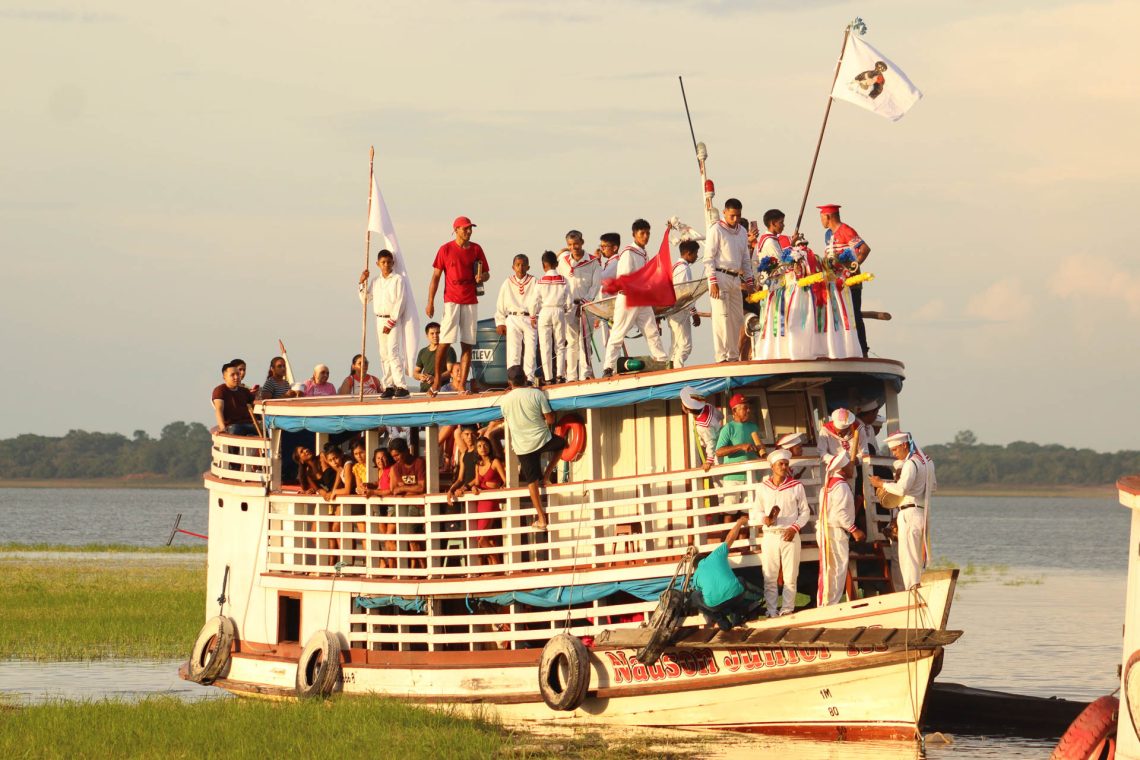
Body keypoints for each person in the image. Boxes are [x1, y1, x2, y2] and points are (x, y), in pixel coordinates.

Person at [493, 364, 567, 531]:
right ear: (525, 378)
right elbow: (550, 420)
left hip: (523, 446)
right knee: (561, 444)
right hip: (542, 439)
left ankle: (541, 518)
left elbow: (507, 418)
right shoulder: (536, 394)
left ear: (509, 382)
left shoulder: (505, 401)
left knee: (531, 482)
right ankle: (546, 475)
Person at [426, 216, 490, 396]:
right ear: (456, 230)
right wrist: (430, 301)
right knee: (445, 341)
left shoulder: (476, 249)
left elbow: (486, 274)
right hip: (451, 300)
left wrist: (481, 277)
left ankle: (462, 384)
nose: (469, 231)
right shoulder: (445, 249)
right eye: (465, 228)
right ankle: (437, 380)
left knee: (467, 343)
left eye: (470, 228)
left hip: (470, 300)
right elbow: (436, 277)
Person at [601, 219, 668, 377]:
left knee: (652, 331)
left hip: (641, 298)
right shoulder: (628, 252)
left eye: (647, 233)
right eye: (642, 233)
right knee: (618, 332)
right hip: (628, 298)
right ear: (634, 234)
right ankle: (608, 367)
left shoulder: (643, 253)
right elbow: (624, 278)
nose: (645, 236)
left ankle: (662, 360)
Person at [871, 432, 936, 590]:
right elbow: (933, 487)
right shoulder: (927, 462)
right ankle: (916, 589)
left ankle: (912, 591)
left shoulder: (910, 463)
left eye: (895, 449)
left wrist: (881, 484)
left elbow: (901, 489)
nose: (894, 453)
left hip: (909, 514)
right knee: (917, 558)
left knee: (908, 559)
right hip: (921, 512)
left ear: (904, 445)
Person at [752, 449, 811, 617]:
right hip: (770, 535)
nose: (784, 467)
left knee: (790, 576)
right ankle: (771, 611)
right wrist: (764, 519)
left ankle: (787, 609)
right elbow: (756, 511)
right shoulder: (763, 487)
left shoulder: (796, 486)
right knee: (769, 576)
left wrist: (795, 527)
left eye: (786, 464)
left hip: (790, 534)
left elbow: (805, 512)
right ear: (772, 466)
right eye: (781, 464)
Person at [753, 210, 814, 361]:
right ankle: (776, 351)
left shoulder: (769, 240)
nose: (783, 225)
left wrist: (790, 247)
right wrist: (794, 259)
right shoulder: (770, 242)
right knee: (777, 321)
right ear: (772, 223)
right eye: (781, 222)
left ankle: (777, 350)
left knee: (775, 321)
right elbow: (780, 266)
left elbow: (779, 259)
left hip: (774, 286)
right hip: (775, 287)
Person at [703, 199, 753, 362]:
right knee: (721, 317)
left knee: (736, 318)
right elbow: (708, 258)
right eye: (732, 215)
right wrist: (713, 281)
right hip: (720, 276)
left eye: (738, 215)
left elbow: (745, 259)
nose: (735, 219)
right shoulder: (716, 229)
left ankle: (732, 355)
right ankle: (721, 356)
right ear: (724, 212)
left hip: (735, 278)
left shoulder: (742, 231)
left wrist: (750, 281)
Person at [819, 204, 872, 356]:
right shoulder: (828, 234)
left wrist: (852, 268)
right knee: (837, 315)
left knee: (854, 314)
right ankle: (842, 349)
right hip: (835, 282)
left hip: (850, 282)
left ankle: (863, 350)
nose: (821, 221)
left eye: (822, 217)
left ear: (828, 217)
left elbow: (864, 249)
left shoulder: (846, 230)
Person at [358, 248, 411, 397]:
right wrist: (362, 283)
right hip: (379, 318)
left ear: (393, 263)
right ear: (378, 264)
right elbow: (365, 299)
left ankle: (401, 385)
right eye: (383, 262)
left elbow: (400, 301)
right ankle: (389, 385)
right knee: (384, 354)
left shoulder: (398, 279)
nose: (386, 265)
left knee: (393, 352)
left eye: (388, 262)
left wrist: (391, 322)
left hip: (392, 319)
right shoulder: (375, 281)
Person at [817, 451, 866, 606]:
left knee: (830, 570)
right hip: (835, 531)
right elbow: (840, 514)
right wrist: (854, 530)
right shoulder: (841, 486)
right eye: (850, 466)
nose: (853, 469)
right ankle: (829, 605)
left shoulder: (828, 485)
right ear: (843, 469)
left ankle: (827, 604)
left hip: (827, 530)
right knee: (836, 571)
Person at [690, 515, 754, 631]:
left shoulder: (696, 575)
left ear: (695, 567)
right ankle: (737, 616)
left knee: (694, 596)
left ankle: (720, 620)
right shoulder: (716, 554)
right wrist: (739, 522)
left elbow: (701, 593)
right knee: (740, 580)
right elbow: (730, 538)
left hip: (715, 605)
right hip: (736, 596)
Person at [557, 230, 601, 381]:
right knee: (571, 342)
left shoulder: (593, 262)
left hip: (586, 307)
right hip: (569, 308)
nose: (573, 247)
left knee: (585, 341)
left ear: (582, 242)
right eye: (570, 245)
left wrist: (584, 304)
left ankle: (585, 374)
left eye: (576, 244)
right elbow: (560, 284)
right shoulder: (563, 262)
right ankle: (571, 376)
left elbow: (595, 286)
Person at [494, 254, 538, 383]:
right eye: (518, 265)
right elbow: (500, 304)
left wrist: (536, 315)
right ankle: (513, 379)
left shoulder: (534, 281)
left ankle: (529, 378)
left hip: (529, 317)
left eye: (523, 265)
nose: (520, 268)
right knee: (513, 350)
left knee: (531, 349)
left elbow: (539, 300)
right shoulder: (507, 282)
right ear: (513, 267)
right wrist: (500, 322)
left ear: (528, 267)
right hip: (512, 317)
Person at [714, 393, 764, 509]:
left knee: (749, 511)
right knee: (730, 512)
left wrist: (760, 450)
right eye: (745, 408)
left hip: (751, 475)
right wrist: (740, 446)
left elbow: (759, 449)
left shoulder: (753, 427)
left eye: (748, 407)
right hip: (733, 476)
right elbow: (719, 452)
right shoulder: (728, 428)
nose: (748, 410)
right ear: (734, 411)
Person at [466, 436, 507, 566]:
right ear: (476, 450)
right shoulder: (478, 465)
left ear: (489, 447)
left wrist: (501, 487)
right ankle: (493, 566)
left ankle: (497, 564)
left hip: (491, 501)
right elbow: (477, 483)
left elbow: (505, 480)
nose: (482, 448)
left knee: (482, 538)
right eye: (479, 446)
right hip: (481, 501)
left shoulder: (495, 462)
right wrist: (473, 487)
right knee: (482, 537)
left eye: (485, 445)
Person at [389, 437, 426, 569]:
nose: (395, 458)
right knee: (412, 539)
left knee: (426, 539)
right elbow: (396, 490)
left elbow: (421, 487)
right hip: (412, 507)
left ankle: (426, 568)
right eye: (393, 456)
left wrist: (404, 489)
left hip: (425, 505)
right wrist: (407, 490)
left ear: (406, 451)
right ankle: (422, 568)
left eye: (397, 455)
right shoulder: (396, 467)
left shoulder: (419, 462)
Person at [535, 250, 571, 384]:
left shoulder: (540, 281)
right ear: (556, 264)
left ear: (543, 265)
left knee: (545, 346)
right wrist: (566, 309)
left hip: (545, 311)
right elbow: (569, 300)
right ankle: (560, 375)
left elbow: (534, 301)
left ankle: (548, 377)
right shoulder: (563, 280)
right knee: (560, 345)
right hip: (559, 310)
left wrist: (533, 315)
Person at [667, 240, 701, 368]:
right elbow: (684, 294)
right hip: (680, 311)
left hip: (673, 311)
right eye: (696, 253)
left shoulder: (675, 267)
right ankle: (677, 370)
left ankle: (670, 370)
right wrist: (694, 313)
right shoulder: (683, 268)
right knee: (685, 345)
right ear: (688, 253)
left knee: (675, 345)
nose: (697, 256)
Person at [591, 232, 622, 359]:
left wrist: (596, 262)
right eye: (601, 246)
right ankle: (614, 364)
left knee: (611, 341)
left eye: (605, 246)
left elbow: (601, 279)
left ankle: (614, 365)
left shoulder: (615, 263)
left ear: (614, 248)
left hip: (611, 308)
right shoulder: (609, 263)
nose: (602, 249)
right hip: (606, 308)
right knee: (608, 341)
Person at [680, 386, 722, 472]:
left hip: (716, 456)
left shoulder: (703, 425)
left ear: (687, 410)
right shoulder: (708, 406)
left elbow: (711, 442)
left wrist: (709, 461)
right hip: (718, 445)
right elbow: (721, 416)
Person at [212, 362, 257, 435]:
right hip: (233, 425)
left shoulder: (245, 391)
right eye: (232, 375)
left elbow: (255, 405)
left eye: (238, 374)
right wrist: (222, 428)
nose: (236, 377)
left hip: (249, 424)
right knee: (235, 430)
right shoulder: (220, 390)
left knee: (268, 430)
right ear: (224, 377)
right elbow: (219, 409)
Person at [414, 322, 456, 392]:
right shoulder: (422, 352)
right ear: (427, 335)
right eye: (432, 333)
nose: (435, 336)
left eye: (438, 333)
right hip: (424, 391)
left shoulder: (448, 350)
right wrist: (420, 376)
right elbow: (416, 372)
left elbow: (450, 372)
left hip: (442, 390)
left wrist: (435, 378)